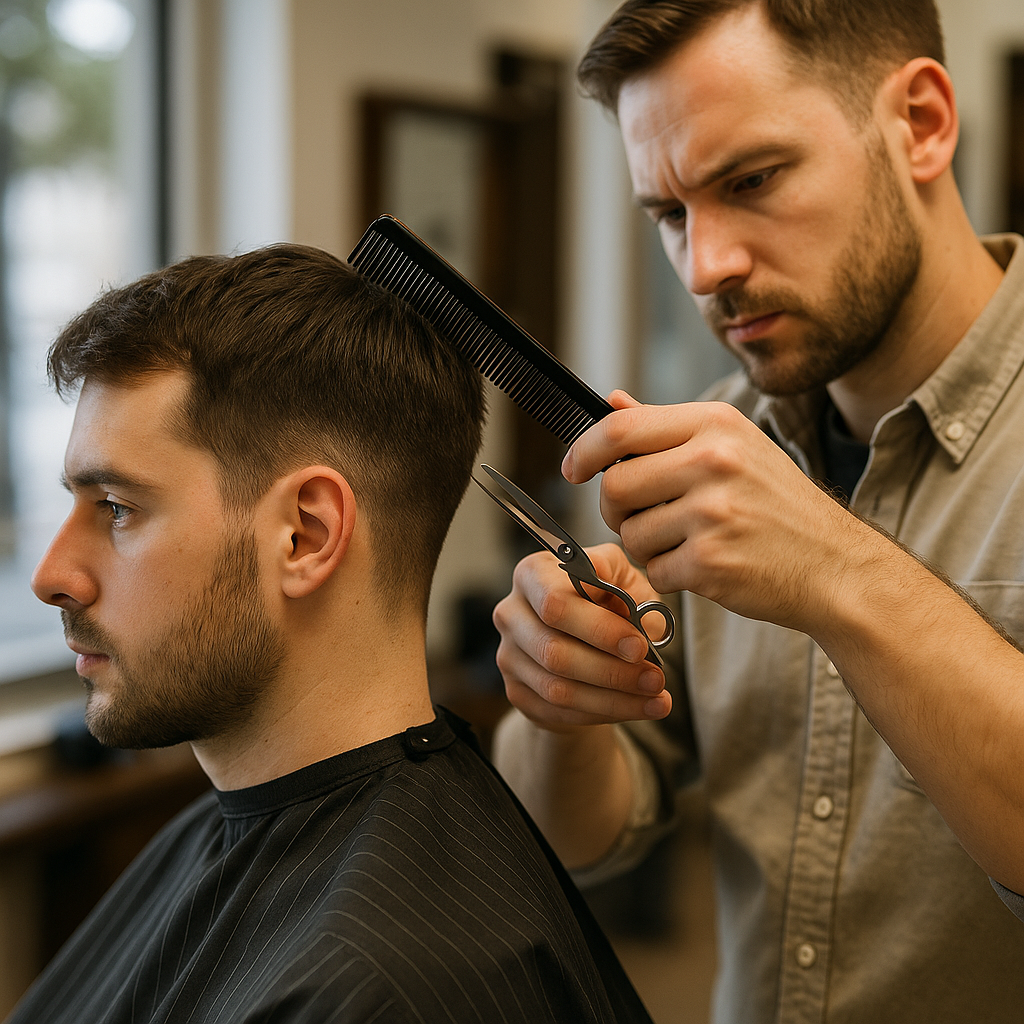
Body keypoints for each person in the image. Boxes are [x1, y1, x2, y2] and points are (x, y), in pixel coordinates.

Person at [491, 1, 1024, 1021]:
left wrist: (835, 570)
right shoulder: (720, 455)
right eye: (670, 214)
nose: (705, 269)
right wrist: (558, 702)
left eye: (750, 182)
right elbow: (576, 837)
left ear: (919, 121)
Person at [9, 245, 653, 1024]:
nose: (51, 574)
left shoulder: (397, 987)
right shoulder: (228, 823)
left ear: (305, 536)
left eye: (116, 507)